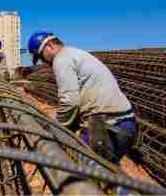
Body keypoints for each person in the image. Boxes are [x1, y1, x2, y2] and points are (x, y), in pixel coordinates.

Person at [24, 30, 137, 164]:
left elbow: (70, 101)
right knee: (108, 173)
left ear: (49, 46)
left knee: (87, 174)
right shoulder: (76, 53)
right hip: (126, 124)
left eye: (41, 57)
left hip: (105, 127)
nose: (43, 62)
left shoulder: (61, 59)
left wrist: (56, 127)